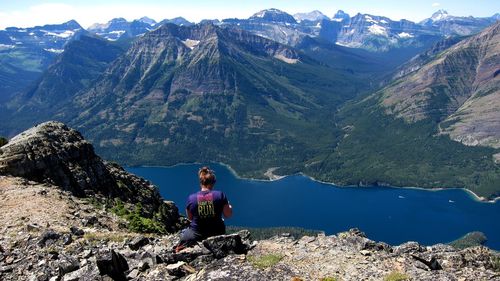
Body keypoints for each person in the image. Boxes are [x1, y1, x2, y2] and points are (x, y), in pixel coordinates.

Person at [176, 166, 232, 251]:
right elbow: (228, 215)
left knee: (182, 233)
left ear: (201, 182)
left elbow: (190, 218)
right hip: (217, 232)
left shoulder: (191, 198)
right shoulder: (220, 195)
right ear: (213, 183)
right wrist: (230, 207)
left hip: (196, 234)